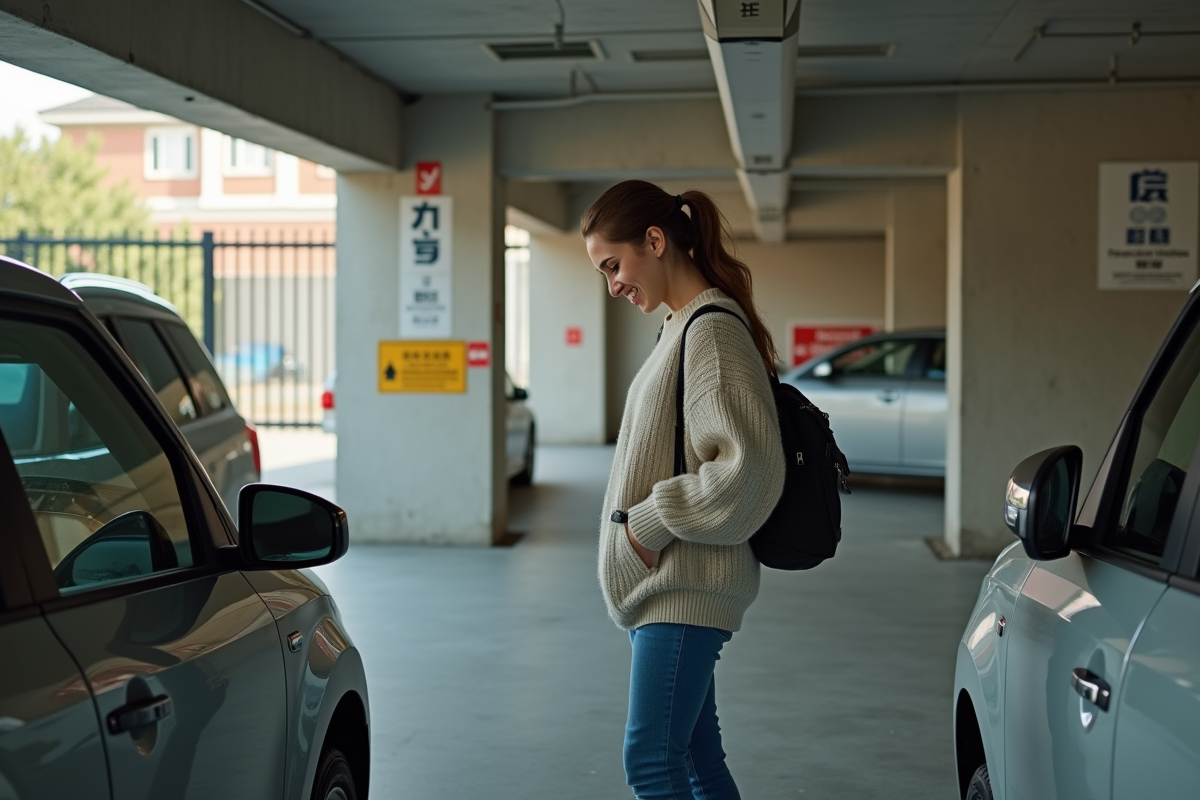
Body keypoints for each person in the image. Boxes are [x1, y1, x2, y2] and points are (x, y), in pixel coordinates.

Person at [581, 180, 786, 800]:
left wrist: (648, 521)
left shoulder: (711, 333)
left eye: (614, 265)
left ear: (655, 239)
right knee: (695, 759)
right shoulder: (681, 327)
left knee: (651, 762)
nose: (612, 284)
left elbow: (748, 472)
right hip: (672, 585)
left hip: (685, 586)